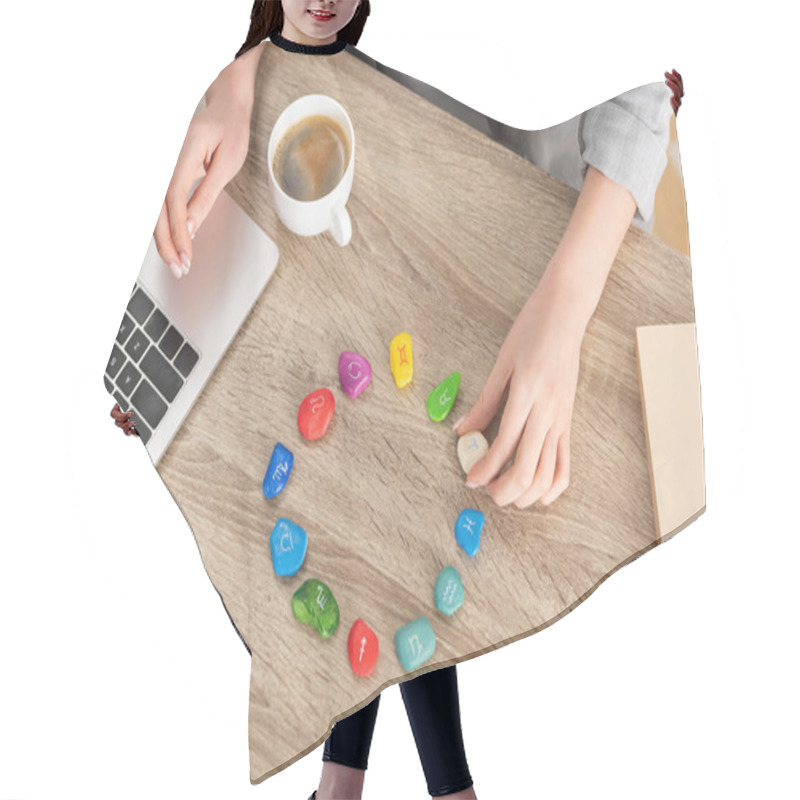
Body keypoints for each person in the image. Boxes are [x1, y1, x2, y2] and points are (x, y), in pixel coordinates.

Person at [109, 2, 685, 797]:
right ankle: (395, 785)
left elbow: (651, 81)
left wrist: (564, 310)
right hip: (400, 256)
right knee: (379, 497)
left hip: (531, 252)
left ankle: (369, 784)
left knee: (414, 509)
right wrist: (241, 74)